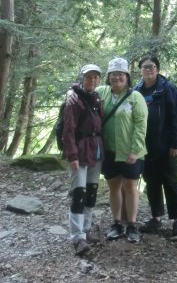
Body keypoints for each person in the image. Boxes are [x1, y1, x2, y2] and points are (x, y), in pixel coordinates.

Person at [96, 57, 148, 244]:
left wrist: (134, 150)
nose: (117, 77)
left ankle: (132, 225)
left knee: (130, 187)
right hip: (109, 151)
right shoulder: (102, 92)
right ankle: (117, 223)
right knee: (114, 187)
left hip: (131, 151)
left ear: (127, 77)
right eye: (113, 74)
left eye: (120, 74)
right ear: (108, 76)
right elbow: (84, 92)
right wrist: (71, 93)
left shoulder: (136, 97)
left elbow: (141, 126)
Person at [135, 55, 177, 240]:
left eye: (152, 67)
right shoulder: (136, 91)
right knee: (152, 182)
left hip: (166, 147)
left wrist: (176, 143)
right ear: (140, 70)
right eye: (145, 67)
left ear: (157, 69)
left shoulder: (168, 89)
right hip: (145, 147)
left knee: (171, 183)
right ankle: (156, 217)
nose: (148, 70)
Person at [63, 63, 104, 257]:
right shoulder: (74, 100)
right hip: (80, 151)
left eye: (96, 77)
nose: (93, 80)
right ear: (82, 78)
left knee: (91, 193)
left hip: (95, 151)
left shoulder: (96, 97)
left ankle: (86, 229)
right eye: (89, 77)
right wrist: (72, 156)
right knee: (79, 193)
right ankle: (77, 237)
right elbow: (68, 130)